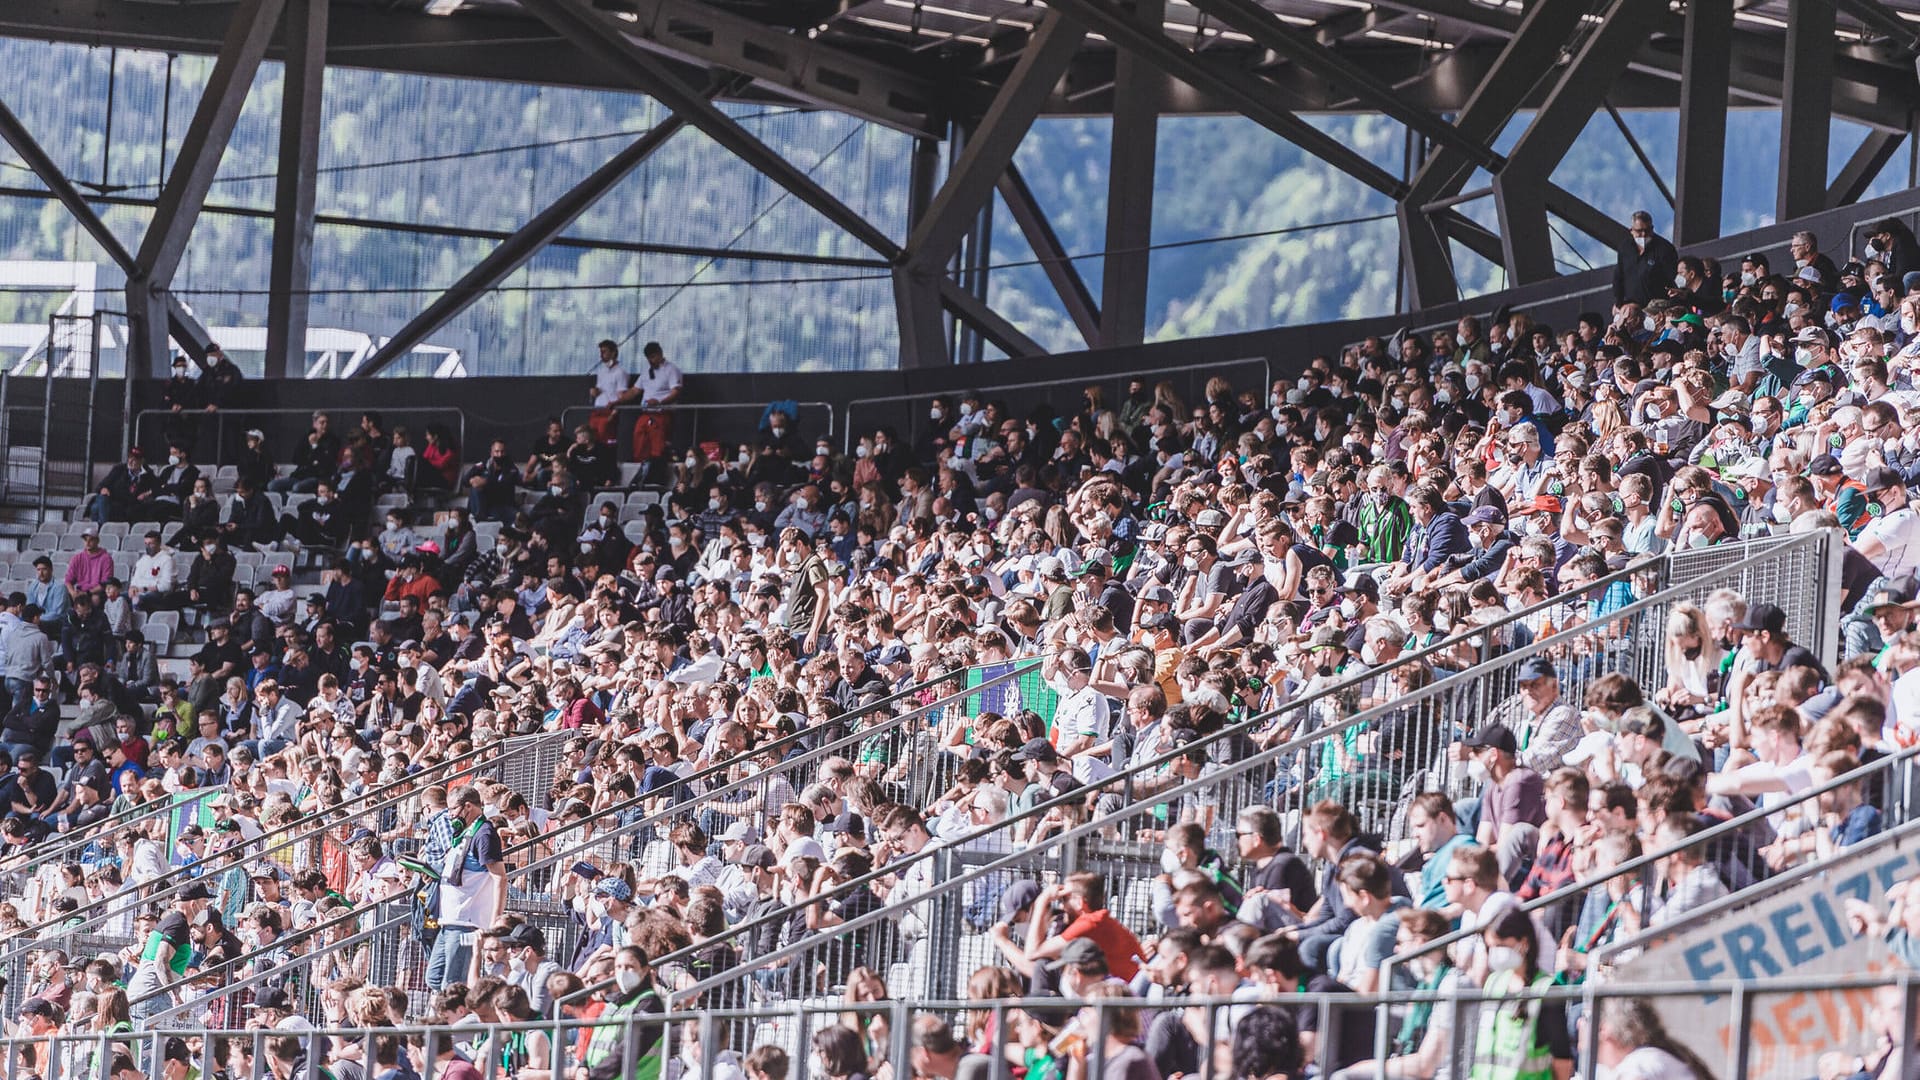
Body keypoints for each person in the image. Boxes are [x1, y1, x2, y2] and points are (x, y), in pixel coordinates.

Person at [1466, 907, 1573, 1080]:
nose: (1494, 953)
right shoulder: (1493, 983)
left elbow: (1562, 1060)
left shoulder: (1546, 989)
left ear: (1523, 943)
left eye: (1501, 945)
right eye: (1490, 947)